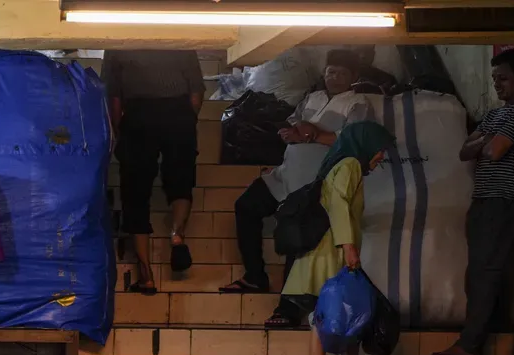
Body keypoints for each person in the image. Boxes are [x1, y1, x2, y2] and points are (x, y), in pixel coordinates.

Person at [222, 49, 373, 296]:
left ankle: (290, 301)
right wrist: (291, 132)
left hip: (314, 183)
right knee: (246, 206)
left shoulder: (356, 103)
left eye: (341, 74)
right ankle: (255, 276)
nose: (334, 78)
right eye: (330, 72)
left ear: (353, 77)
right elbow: (293, 123)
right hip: (285, 175)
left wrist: (313, 134)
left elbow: (353, 140)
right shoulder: (311, 97)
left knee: (297, 235)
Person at [428, 49, 514, 355]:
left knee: (486, 271)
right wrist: (485, 140)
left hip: (503, 200)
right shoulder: (495, 114)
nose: (497, 85)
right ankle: (474, 336)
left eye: (503, 79)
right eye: (494, 79)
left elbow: (493, 151)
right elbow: (465, 151)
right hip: (484, 199)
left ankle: (471, 343)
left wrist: (485, 141)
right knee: (477, 271)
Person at [279, 122, 396, 355]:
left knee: (347, 311)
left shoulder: (343, 163)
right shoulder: (351, 164)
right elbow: (339, 204)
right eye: (379, 151)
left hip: (333, 249)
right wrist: (348, 246)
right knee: (328, 313)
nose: (380, 158)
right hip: (330, 251)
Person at [104, 49, 206, 293]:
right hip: (178, 112)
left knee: (135, 193)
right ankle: (177, 234)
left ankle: (146, 275)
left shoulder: (116, 43)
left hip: (138, 115)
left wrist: (120, 131)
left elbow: (114, 97)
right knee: (181, 176)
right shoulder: (179, 36)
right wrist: (187, 121)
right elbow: (196, 91)